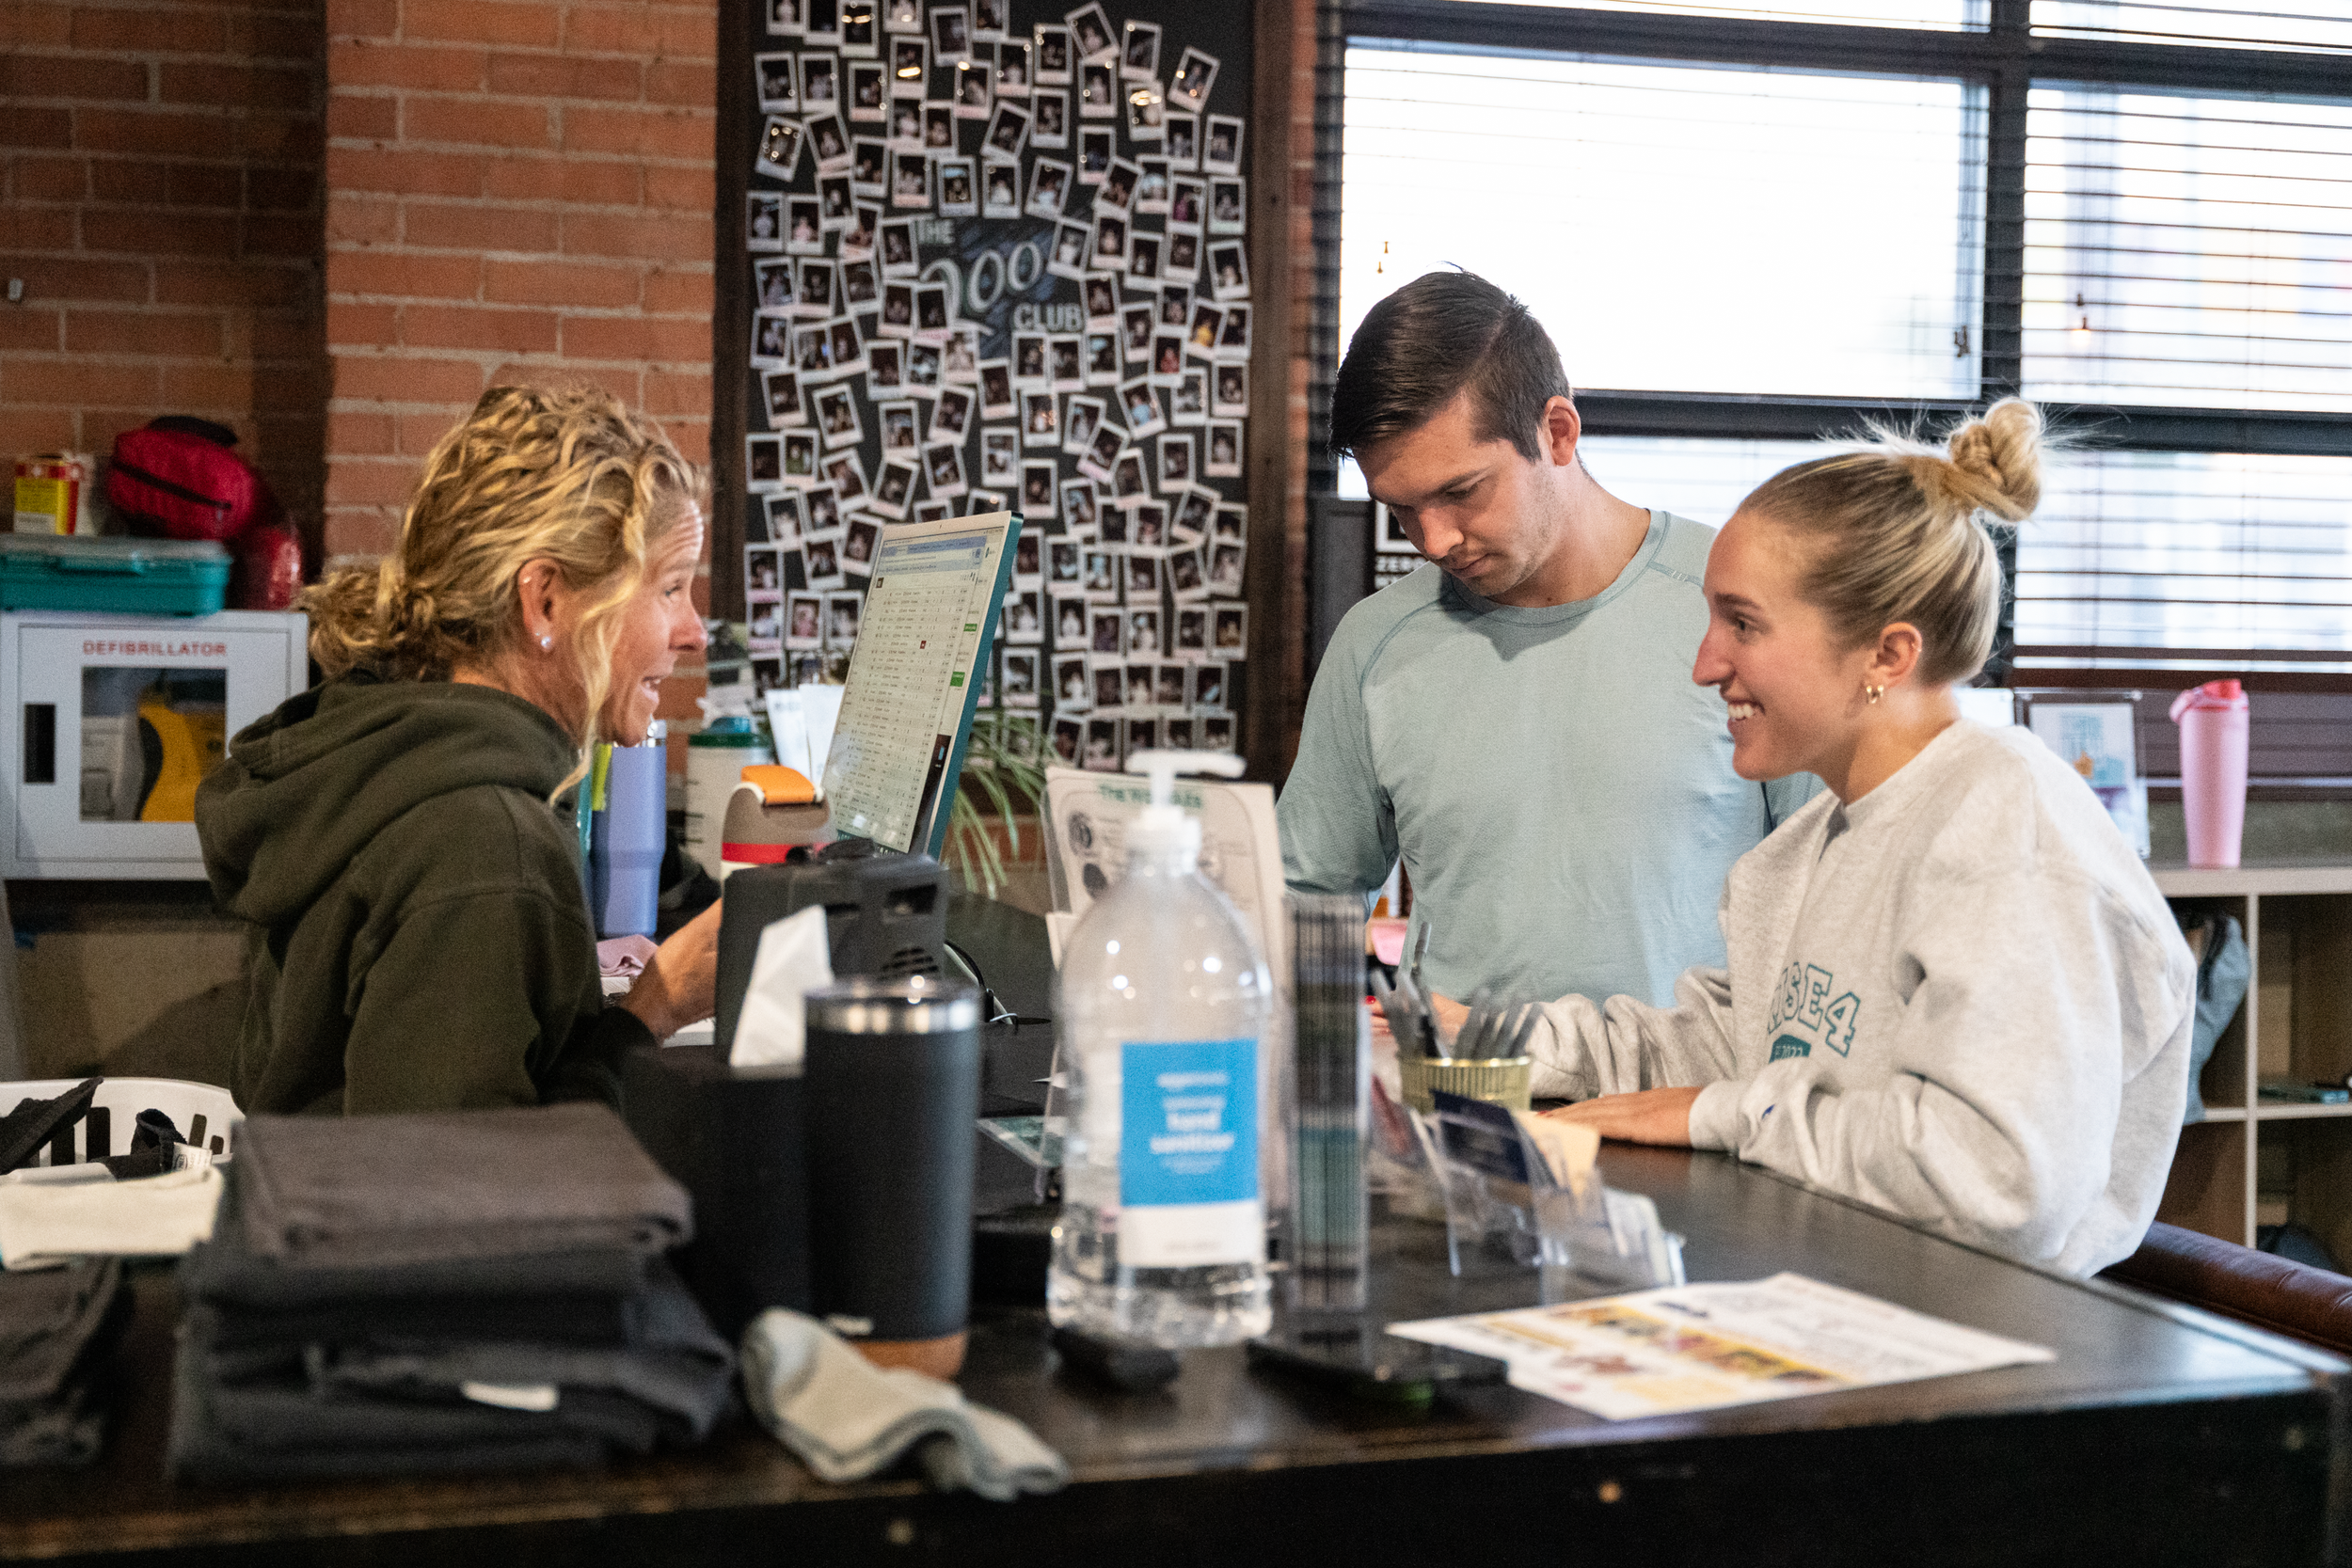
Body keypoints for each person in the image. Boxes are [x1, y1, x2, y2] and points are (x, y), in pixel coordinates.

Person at [1507, 401, 2193, 1277]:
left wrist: (1721, 1114)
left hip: (1978, 1358)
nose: (1706, 663)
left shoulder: (2009, 827)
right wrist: (1488, 1041)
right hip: (1820, 1294)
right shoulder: (1802, 850)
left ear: (1887, 654)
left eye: (1743, 623)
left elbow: (1997, 1181)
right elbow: (1733, 1050)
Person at [1280, 271, 1817, 1007]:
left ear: (1557, 432)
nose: (1432, 540)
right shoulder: (1374, 644)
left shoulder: (1742, 605)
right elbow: (1304, 911)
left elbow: (1835, 899)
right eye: (1401, 509)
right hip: (1457, 1105)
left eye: (1462, 491)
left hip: (1683, 1105)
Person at [198, 386, 721, 1116]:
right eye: (669, 588)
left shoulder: (392, 748)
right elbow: (467, 1201)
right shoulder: (483, 843)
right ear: (545, 602)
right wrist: (651, 1013)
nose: (695, 631)